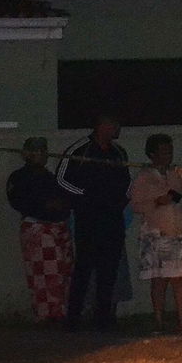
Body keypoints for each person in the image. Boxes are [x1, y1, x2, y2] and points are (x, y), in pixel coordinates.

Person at [58, 114, 132, 331]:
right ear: (103, 126)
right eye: (114, 124)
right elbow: (61, 179)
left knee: (109, 269)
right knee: (84, 268)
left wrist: (120, 201)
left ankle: (104, 317)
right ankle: (74, 318)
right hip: (88, 219)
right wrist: (86, 198)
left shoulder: (119, 152)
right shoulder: (80, 150)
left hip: (113, 219)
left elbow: (127, 181)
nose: (118, 129)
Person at [128, 134, 182, 334]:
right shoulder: (144, 176)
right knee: (159, 280)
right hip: (155, 234)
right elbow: (135, 204)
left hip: (177, 232)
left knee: (180, 280)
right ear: (153, 154)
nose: (168, 155)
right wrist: (157, 202)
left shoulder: (177, 173)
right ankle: (158, 322)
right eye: (164, 151)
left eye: (170, 151)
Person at [6, 137, 73, 322]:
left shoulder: (50, 177)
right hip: (38, 227)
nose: (41, 154)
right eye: (36, 150)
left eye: (43, 150)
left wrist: (60, 205)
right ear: (25, 153)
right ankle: (47, 315)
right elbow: (20, 202)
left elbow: (65, 200)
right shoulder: (19, 177)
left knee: (62, 271)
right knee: (44, 273)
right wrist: (46, 205)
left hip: (58, 226)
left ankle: (61, 312)